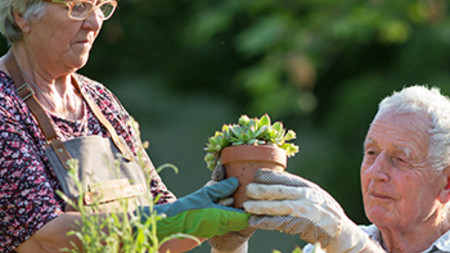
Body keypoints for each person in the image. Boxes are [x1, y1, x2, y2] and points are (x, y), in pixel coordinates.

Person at [0, 1, 248, 252]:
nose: (95, 23)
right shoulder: (5, 105)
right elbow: (46, 236)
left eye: (101, 7)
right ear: (22, 15)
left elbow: (162, 216)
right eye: (79, 7)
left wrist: (228, 202)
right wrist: (175, 219)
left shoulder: (100, 100)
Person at [242, 85, 450, 253]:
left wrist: (353, 245)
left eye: (399, 159)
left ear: (446, 184)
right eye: (371, 153)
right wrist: (230, 247)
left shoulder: (343, 241)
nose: (376, 173)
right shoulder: (330, 246)